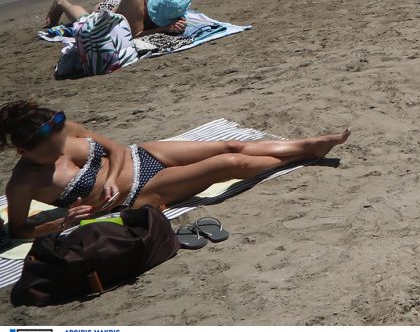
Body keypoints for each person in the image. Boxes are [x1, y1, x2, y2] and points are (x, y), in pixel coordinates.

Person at [3, 101, 348, 239]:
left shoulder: (65, 129)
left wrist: (110, 178)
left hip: (141, 155)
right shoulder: (22, 184)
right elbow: (18, 230)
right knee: (228, 164)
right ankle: (303, 154)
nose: (60, 148)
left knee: (229, 145)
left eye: (60, 141)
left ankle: (305, 145)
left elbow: (115, 149)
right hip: (141, 192)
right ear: (23, 151)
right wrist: (63, 223)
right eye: (50, 150)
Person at [44, 0, 193, 40]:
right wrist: (165, 28)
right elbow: (135, 34)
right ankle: (62, 3)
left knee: (124, 3)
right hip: (105, 12)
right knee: (84, 19)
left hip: (125, 4)